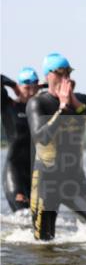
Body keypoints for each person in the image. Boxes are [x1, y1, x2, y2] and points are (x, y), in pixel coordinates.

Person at [26, 53, 86, 240]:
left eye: (68, 73)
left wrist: (78, 107)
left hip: (76, 182)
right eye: (60, 73)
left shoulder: (83, 101)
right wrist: (62, 109)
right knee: (44, 244)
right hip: (46, 183)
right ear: (48, 75)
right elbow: (41, 137)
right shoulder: (38, 103)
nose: (66, 79)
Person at [1, 68, 40, 212]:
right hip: (14, 173)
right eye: (27, 87)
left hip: (34, 175)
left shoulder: (40, 108)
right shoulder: (8, 105)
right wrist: (13, 85)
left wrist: (39, 86)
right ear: (20, 86)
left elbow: (58, 86)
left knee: (39, 222)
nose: (31, 91)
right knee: (23, 216)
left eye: (34, 86)